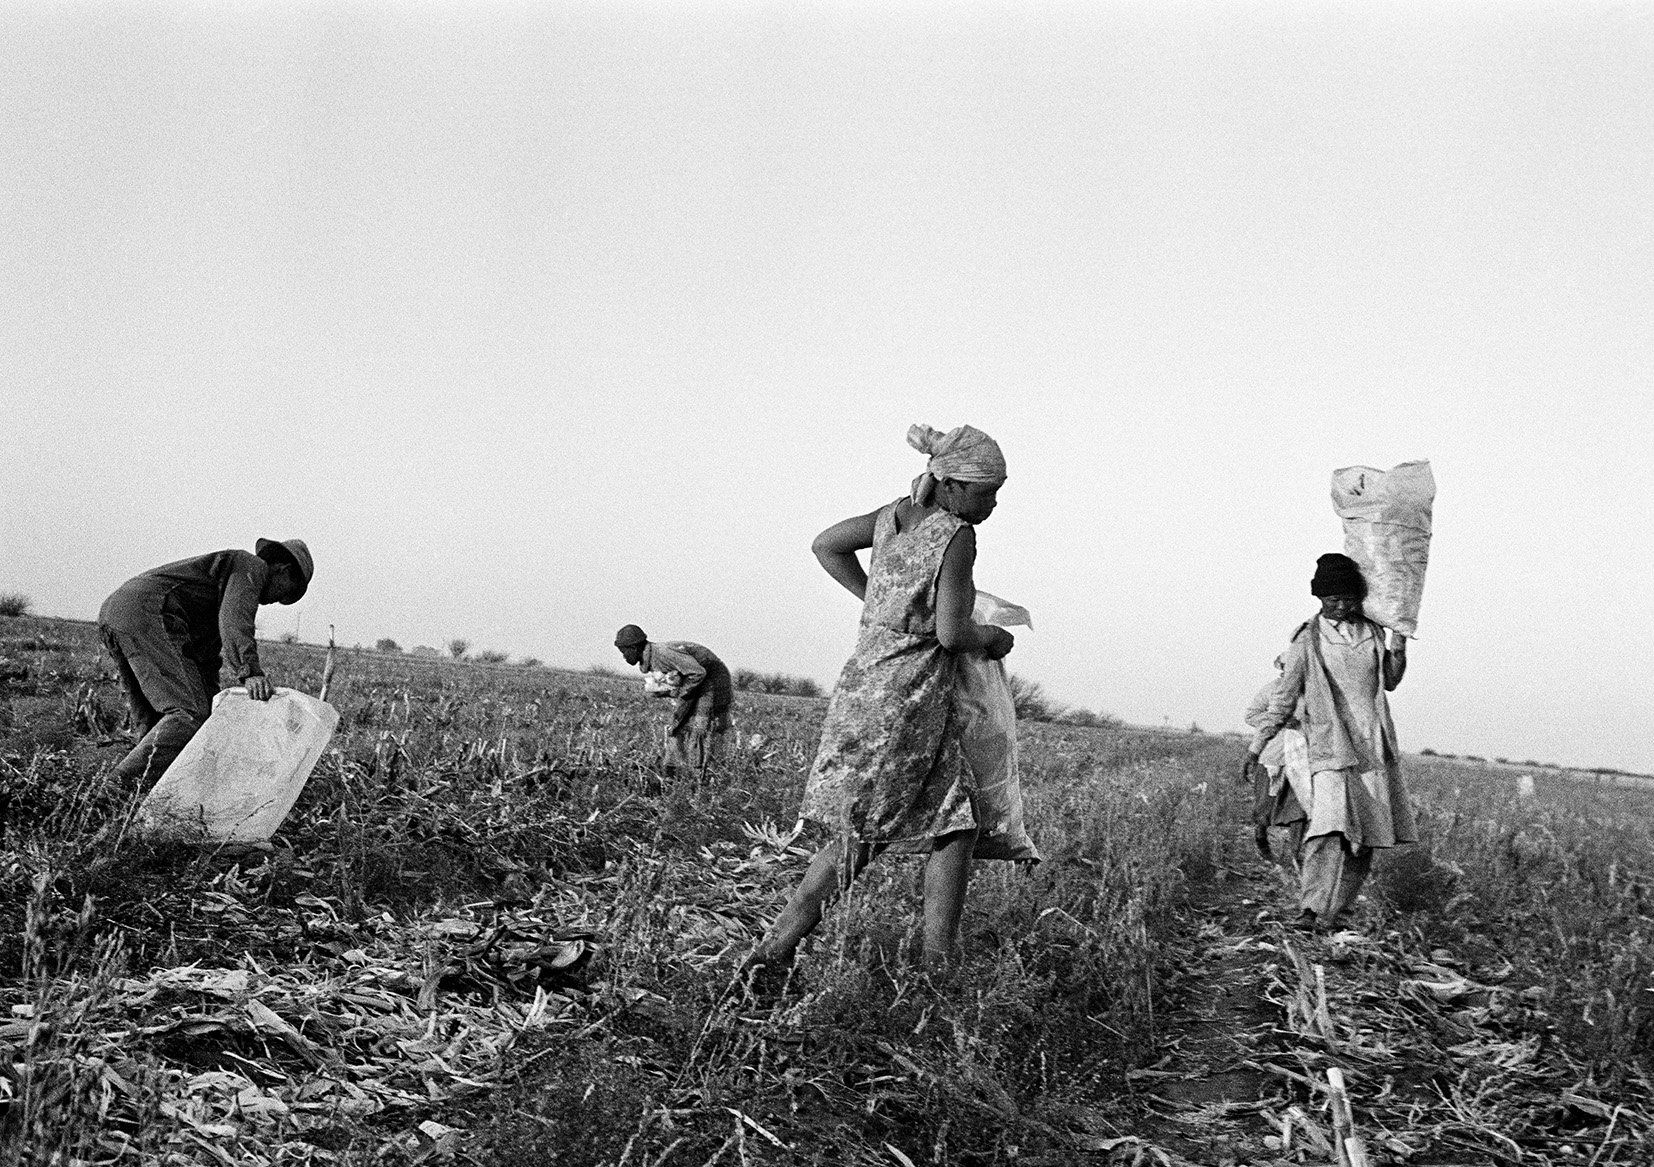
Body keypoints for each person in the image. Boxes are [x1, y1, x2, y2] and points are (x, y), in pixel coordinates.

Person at [747, 422, 1013, 978]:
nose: (991, 503)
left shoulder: (892, 517)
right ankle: (768, 957)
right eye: (986, 491)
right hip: (905, 698)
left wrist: (879, 602)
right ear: (951, 484)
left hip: (869, 683)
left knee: (954, 820)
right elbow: (951, 633)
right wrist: (993, 638)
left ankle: (938, 968)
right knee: (863, 831)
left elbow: (827, 544)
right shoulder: (956, 535)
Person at [1242, 553, 1416, 930]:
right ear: (1319, 600)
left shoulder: (1373, 632)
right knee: (1329, 826)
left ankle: (1335, 910)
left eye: (1348, 599)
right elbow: (1284, 696)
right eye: (1332, 600)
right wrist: (1258, 746)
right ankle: (1310, 909)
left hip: (1371, 743)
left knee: (1366, 837)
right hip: (1329, 745)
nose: (1341, 606)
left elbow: (1390, 680)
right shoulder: (1307, 638)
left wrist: (1399, 643)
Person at [99, 539, 313, 786]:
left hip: (117, 612)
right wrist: (250, 672)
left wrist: (213, 711)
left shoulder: (215, 593)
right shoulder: (251, 566)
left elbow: (204, 658)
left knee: (155, 719)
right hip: (148, 611)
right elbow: (235, 619)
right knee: (187, 715)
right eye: (283, 593)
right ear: (283, 570)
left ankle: (140, 796)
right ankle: (111, 792)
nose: (273, 601)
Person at [613, 626, 734, 773]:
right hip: (699, 680)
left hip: (712, 679)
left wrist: (681, 692)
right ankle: (674, 767)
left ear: (633, 648)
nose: (624, 656)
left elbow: (698, 673)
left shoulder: (663, 653)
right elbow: (679, 678)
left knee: (699, 726)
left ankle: (700, 772)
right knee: (679, 723)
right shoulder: (654, 657)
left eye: (624, 651)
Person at [1242, 655, 1309, 867]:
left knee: (1300, 808)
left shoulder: (1313, 691)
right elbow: (1251, 715)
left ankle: (1295, 854)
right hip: (1272, 755)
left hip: (1301, 758)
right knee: (1264, 808)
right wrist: (1276, 720)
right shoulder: (1272, 690)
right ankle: (1262, 842)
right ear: (1282, 668)